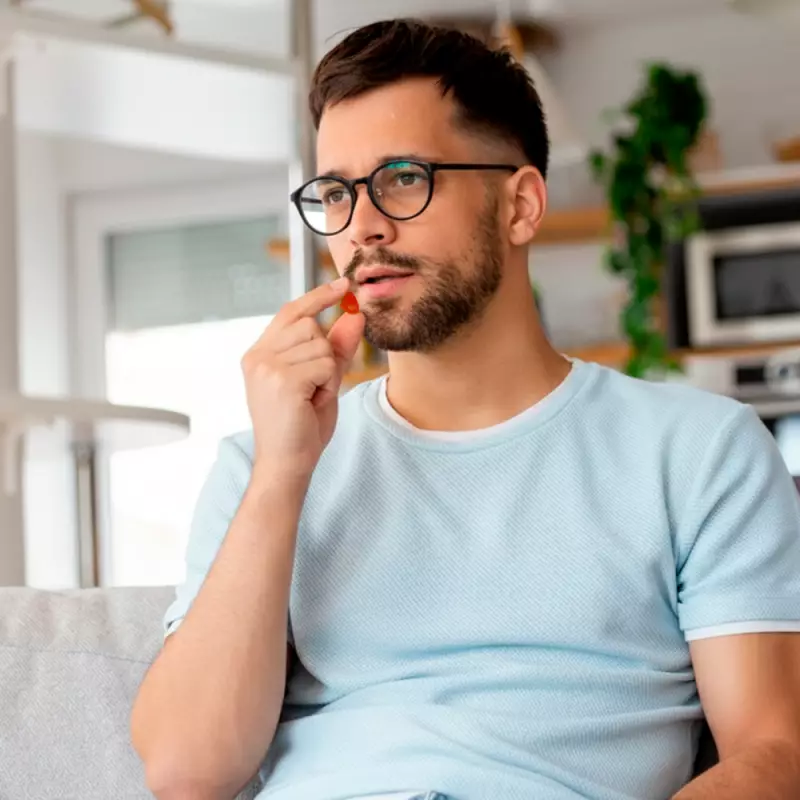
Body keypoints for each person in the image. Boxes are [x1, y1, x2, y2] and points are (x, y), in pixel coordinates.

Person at [131, 18, 800, 800]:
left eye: (403, 178)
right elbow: (186, 771)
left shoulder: (699, 451)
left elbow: (772, 751)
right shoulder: (260, 464)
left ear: (521, 205)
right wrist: (283, 473)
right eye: (337, 193)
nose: (362, 226)